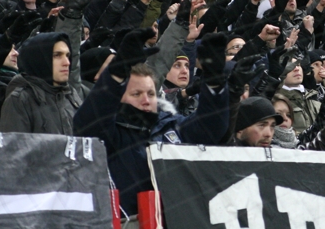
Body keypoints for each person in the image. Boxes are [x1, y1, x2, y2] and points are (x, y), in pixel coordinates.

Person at [73, 29, 230, 216]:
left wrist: (214, 81)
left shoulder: (172, 125)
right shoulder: (109, 133)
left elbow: (212, 128)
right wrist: (117, 71)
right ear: (118, 96)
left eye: (151, 94)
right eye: (136, 94)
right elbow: (89, 122)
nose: (146, 100)